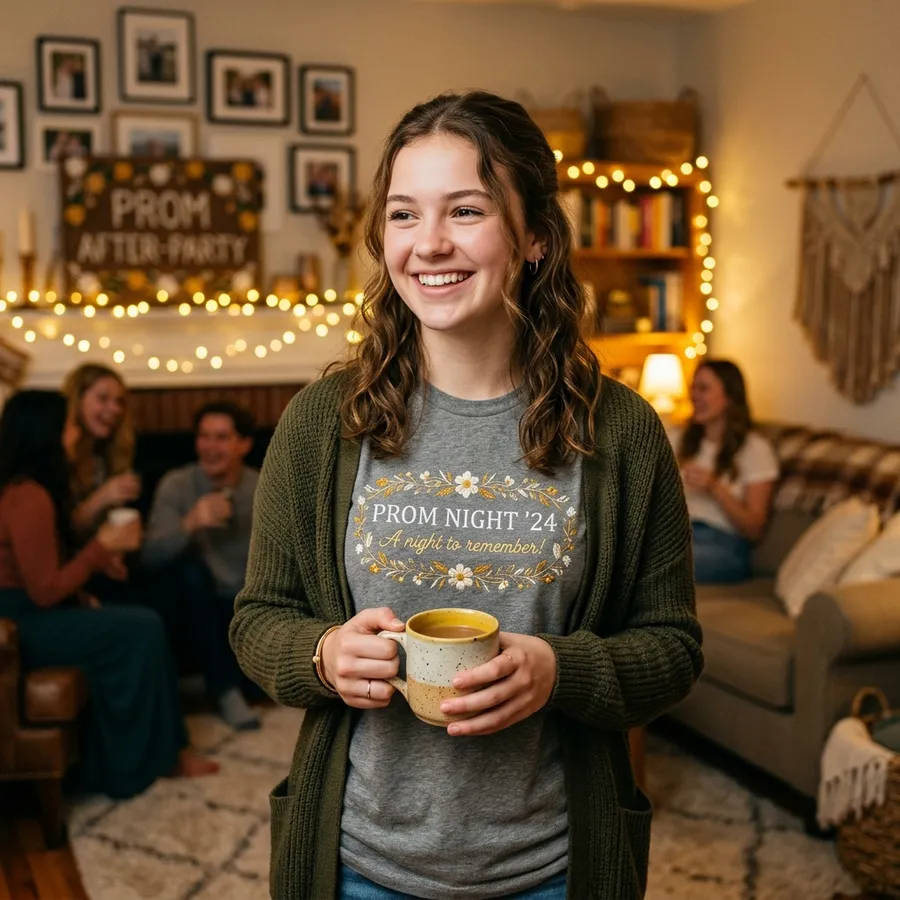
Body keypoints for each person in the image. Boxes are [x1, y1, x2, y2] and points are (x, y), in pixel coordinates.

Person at [230, 90, 703, 900]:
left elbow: (673, 648)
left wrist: (560, 671)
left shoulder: (620, 433)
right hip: (359, 865)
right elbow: (257, 619)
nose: (430, 244)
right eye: (404, 215)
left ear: (536, 240)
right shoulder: (323, 424)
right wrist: (322, 654)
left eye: (467, 210)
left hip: (554, 867)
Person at [0, 390, 218, 799]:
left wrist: (83, 591)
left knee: (134, 619)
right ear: (43, 433)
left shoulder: (29, 489)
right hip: (19, 624)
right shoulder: (28, 495)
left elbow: (44, 574)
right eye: (67, 425)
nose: (74, 432)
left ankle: (140, 756)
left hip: (27, 612)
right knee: (143, 626)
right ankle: (152, 760)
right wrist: (101, 548)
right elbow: (44, 591)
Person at [143, 401, 261, 730]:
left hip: (245, 597)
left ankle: (232, 682)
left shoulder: (261, 486)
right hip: (195, 602)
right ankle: (224, 690)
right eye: (203, 436)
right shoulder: (177, 484)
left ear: (244, 444)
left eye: (221, 437)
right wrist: (189, 523)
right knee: (190, 572)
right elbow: (149, 555)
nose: (210, 447)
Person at [671, 359, 779, 584]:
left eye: (704, 388)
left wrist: (714, 487)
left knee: (654, 564)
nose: (694, 396)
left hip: (724, 545)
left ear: (729, 397)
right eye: (693, 387)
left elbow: (754, 529)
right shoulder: (678, 440)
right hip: (675, 533)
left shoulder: (754, 449)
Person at [63, 363, 141, 537]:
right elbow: (58, 532)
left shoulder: (106, 456)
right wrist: (103, 497)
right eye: (103, 398)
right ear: (78, 400)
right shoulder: (57, 457)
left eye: (119, 402)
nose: (115, 409)